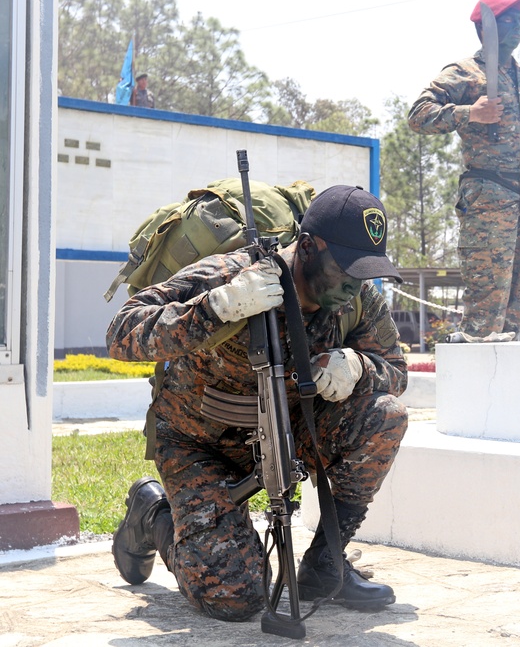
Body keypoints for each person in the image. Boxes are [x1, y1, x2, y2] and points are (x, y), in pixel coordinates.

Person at [107, 184, 408, 622]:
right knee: (236, 597)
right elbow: (120, 333)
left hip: (287, 433)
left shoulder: (356, 299)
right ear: (306, 247)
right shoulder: (235, 274)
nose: (356, 284)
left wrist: (359, 366)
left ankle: (326, 563)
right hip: (199, 445)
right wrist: (215, 307)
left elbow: (395, 370)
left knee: (385, 417)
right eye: (346, 269)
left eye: (366, 271)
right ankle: (154, 513)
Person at [408, 0, 520, 342]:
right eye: (509, 22)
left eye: (519, 22)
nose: (517, 29)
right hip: (488, 198)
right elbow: (418, 115)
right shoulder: (465, 72)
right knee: (486, 307)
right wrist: (469, 113)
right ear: (486, 29)